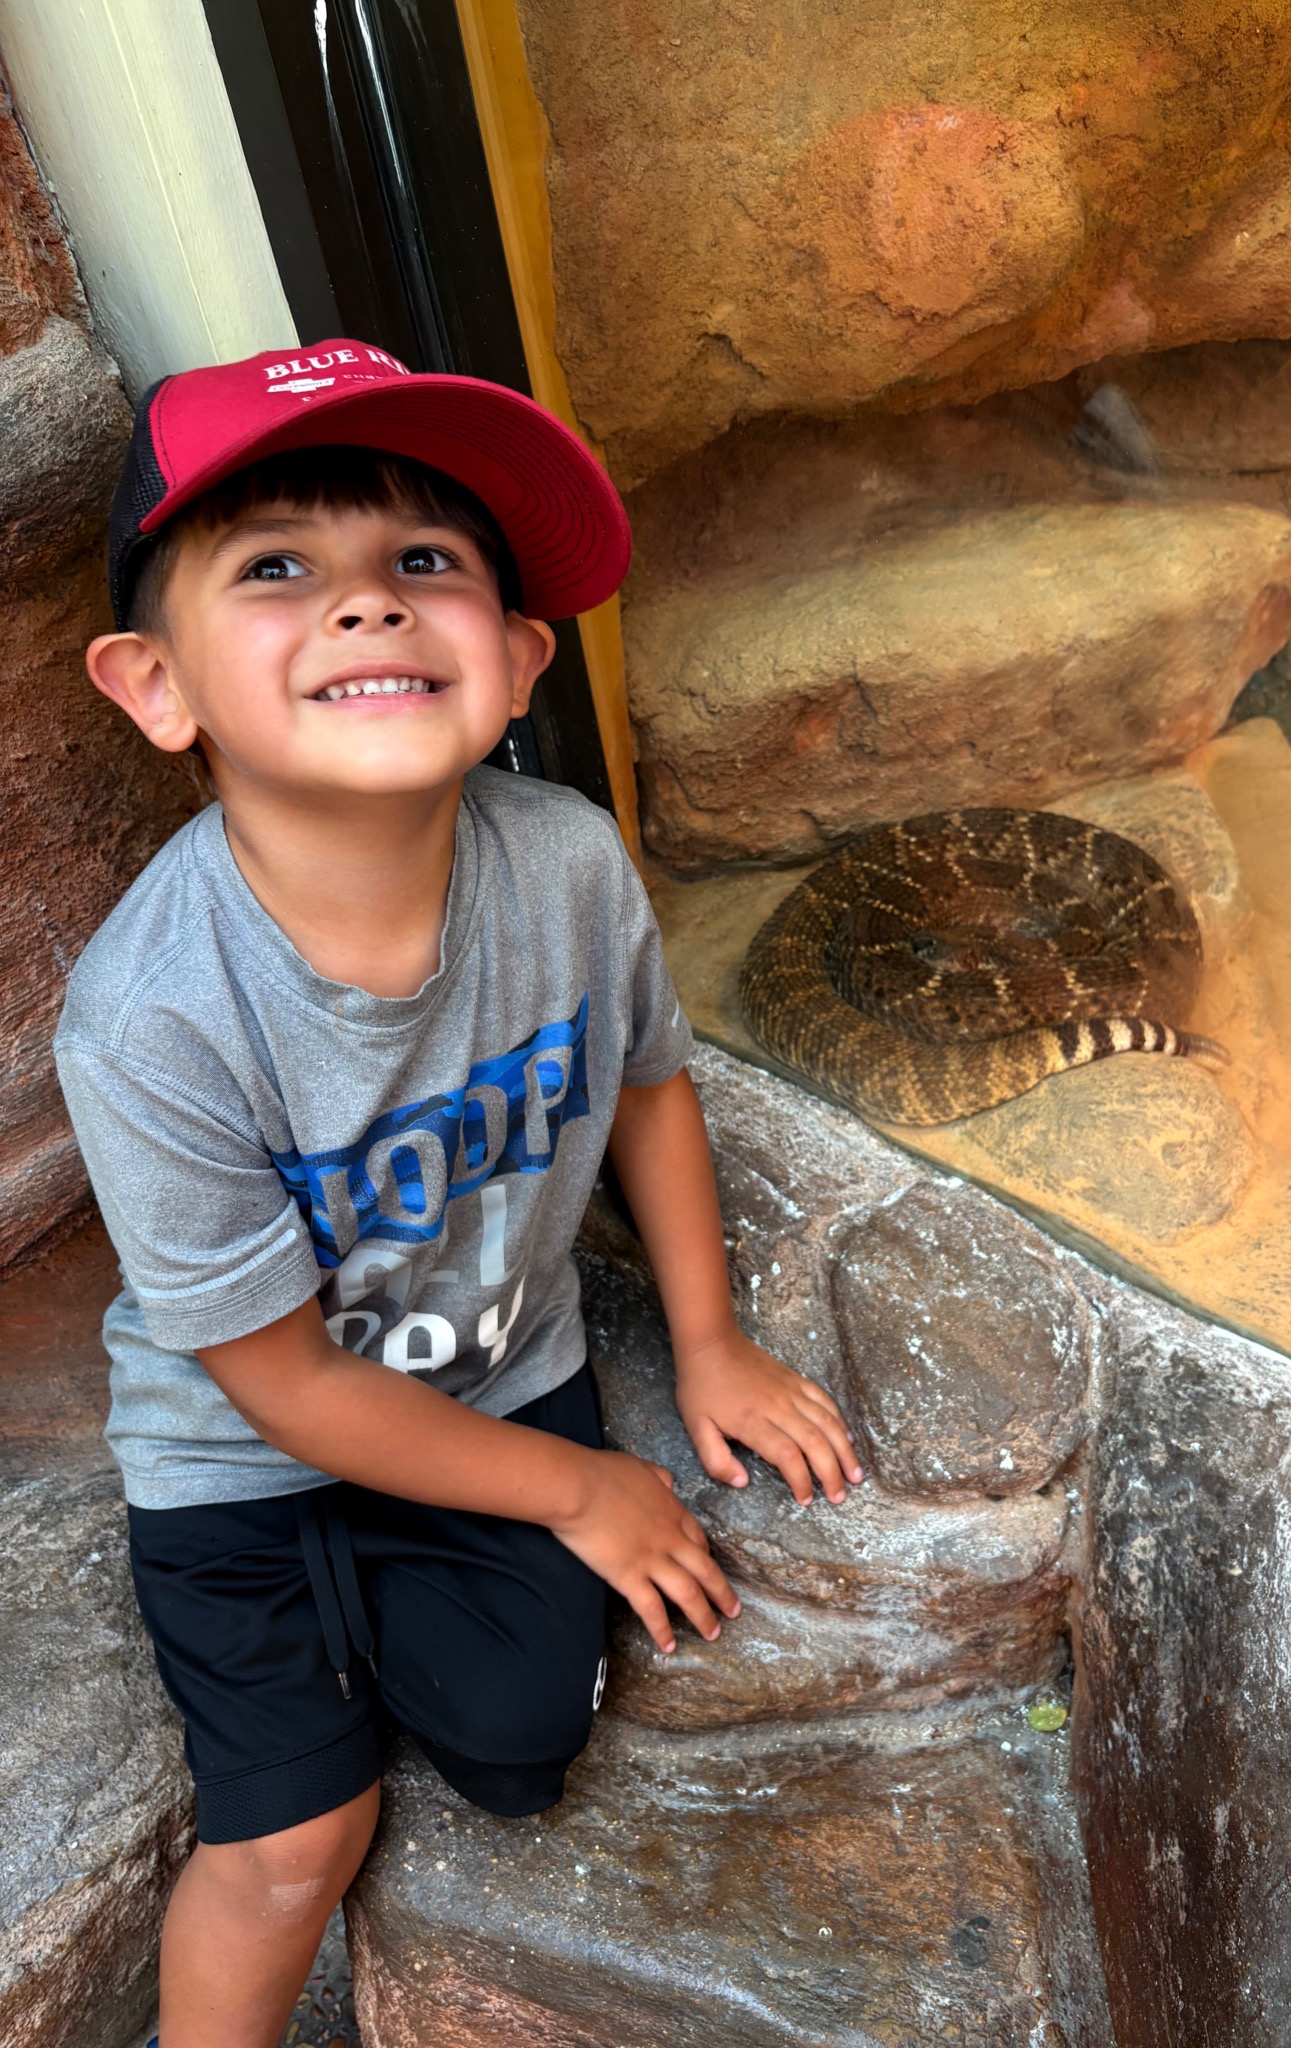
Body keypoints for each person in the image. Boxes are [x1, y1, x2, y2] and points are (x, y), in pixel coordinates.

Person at [53, 339, 864, 2048]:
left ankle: (413, 1617)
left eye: (424, 560)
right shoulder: (151, 1011)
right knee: (299, 1839)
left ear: (516, 662)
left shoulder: (565, 859)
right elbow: (282, 1383)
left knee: (519, 1748)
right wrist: (582, 1489)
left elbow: (647, 1082)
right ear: (156, 685)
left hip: (491, 1368)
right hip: (245, 1446)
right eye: (277, 568)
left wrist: (707, 1345)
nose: (367, 602)